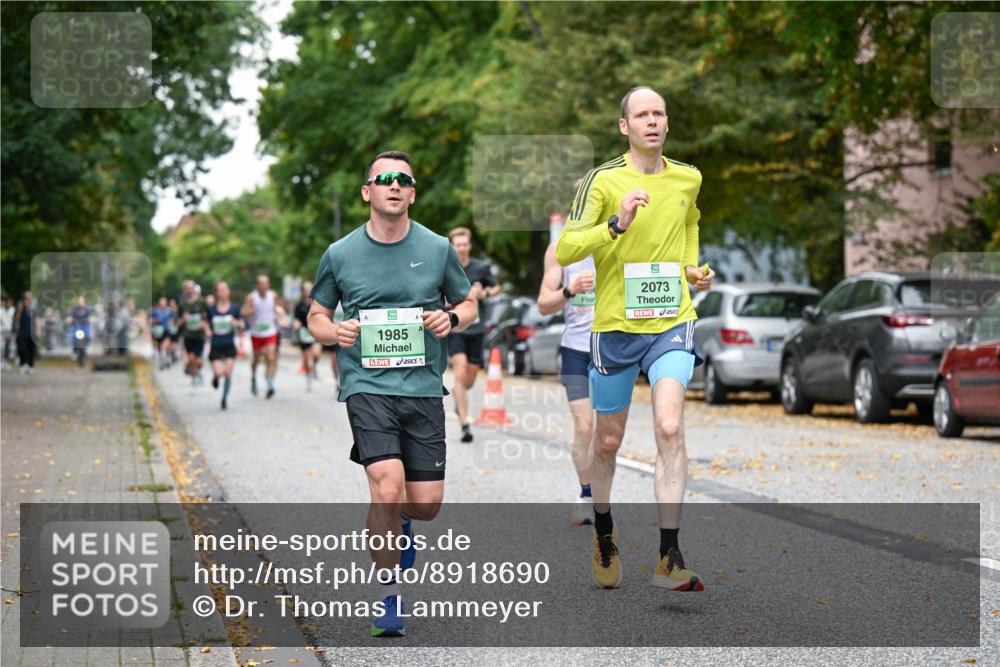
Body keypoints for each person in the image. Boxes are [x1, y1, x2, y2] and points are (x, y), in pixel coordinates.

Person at [307, 150, 476, 638]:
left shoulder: (438, 247)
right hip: (366, 385)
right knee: (385, 485)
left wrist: (454, 318)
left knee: (424, 505)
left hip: (423, 386)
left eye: (403, 180)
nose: (394, 186)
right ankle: (387, 598)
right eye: (384, 180)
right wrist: (331, 332)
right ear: (368, 191)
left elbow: (467, 302)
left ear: (413, 192)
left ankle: (399, 519)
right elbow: (316, 314)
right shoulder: (340, 253)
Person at [556, 86, 715, 592]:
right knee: (608, 440)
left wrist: (692, 268)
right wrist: (616, 224)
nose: (652, 121)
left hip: (671, 318)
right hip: (615, 327)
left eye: (659, 113)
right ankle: (604, 529)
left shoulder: (688, 177)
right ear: (624, 126)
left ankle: (669, 554)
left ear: (667, 123)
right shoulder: (603, 180)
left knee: (669, 426)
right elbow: (566, 249)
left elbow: (690, 225)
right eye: (642, 114)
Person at [538, 239, 597, 526]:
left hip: (611, 347)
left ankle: (601, 492)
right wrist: (569, 289)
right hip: (575, 350)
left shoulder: (622, 240)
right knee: (585, 425)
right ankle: (586, 493)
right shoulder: (560, 249)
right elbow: (543, 304)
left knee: (607, 433)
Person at [446, 227, 501, 443]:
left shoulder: (481, 267)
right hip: (456, 327)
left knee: (468, 379)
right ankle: (465, 424)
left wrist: (484, 293)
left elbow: (497, 288)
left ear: (469, 245)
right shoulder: (447, 267)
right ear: (452, 246)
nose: (461, 248)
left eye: (464, 244)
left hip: (477, 329)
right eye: (457, 244)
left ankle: (459, 397)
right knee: (459, 372)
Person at [242, 274, 283, 399]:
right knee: (256, 359)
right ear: (257, 285)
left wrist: (278, 315)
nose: (264, 286)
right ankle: (253, 377)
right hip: (256, 333)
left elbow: (277, 309)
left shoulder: (273, 295)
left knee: (270, 357)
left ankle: (270, 383)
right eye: (262, 283)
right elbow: (243, 312)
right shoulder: (251, 298)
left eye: (266, 283)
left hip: (270, 331)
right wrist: (251, 311)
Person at [203, 281, 243, 410]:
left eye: (225, 289)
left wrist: (237, 324)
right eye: (220, 290)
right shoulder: (211, 309)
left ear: (229, 291)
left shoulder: (234, 308)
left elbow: (242, 325)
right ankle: (215, 377)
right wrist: (208, 330)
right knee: (220, 373)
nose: (223, 292)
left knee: (227, 373)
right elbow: (205, 323)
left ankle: (224, 399)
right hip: (216, 345)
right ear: (216, 293)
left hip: (229, 345)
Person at [293, 281, 322, 387]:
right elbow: (295, 319)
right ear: (303, 291)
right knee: (306, 357)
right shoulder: (299, 306)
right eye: (306, 289)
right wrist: (296, 324)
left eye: (310, 289)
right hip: (304, 333)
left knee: (316, 354)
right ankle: (308, 377)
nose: (308, 291)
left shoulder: (318, 303)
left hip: (315, 331)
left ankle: (314, 365)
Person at [178, 280, 206, 384]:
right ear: (184, 290)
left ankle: (196, 370)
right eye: (187, 288)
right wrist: (183, 319)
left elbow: (208, 315)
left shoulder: (202, 302)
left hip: (199, 334)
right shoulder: (182, 304)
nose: (189, 290)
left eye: (191, 288)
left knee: (198, 359)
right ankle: (194, 374)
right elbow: (178, 321)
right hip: (188, 334)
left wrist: (204, 323)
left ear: (194, 288)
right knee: (190, 357)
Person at [14, 292, 39, 374]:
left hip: (31, 333)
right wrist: (20, 310)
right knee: (22, 349)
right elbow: (16, 319)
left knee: (31, 350)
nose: (26, 300)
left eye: (28, 298)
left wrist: (38, 330)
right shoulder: (20, 308)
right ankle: (23, 365)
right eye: (25, 298)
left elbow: (37, 320)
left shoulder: (33, 309)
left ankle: (30, 366)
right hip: (22, 332)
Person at [150, 297, 175, 369]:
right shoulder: (155, 311)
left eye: (163, 304)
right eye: (161, 304)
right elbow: (150, 321)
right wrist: (155, 320)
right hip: (157, 331)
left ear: (166, 304)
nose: (162, 305)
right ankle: (163, 361)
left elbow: (172, 321)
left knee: (164, 346)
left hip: (166, 331)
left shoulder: (169, 311)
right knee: (159, 348)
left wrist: (171, 324)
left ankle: (167, 359)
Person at [2, 297, 15, 369]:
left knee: (10, 347)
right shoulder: (1, 311)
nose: (8, 304)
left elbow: (15, 321)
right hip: (2, 331)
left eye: (10, 302)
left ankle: (8, 362)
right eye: (7, 302)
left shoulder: (13, 310)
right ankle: (2, 361)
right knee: (2, 347)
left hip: (11, 331)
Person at [167, 298, 181, 366]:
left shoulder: (178, 312)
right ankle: (173, 356)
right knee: (171, 344)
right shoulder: (169, 312)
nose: (171, 305)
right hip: (171, 330)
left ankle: (174, 356)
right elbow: (169, 321)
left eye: (172, 303)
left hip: (177, 330)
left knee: (175, 344)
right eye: (170, 303)